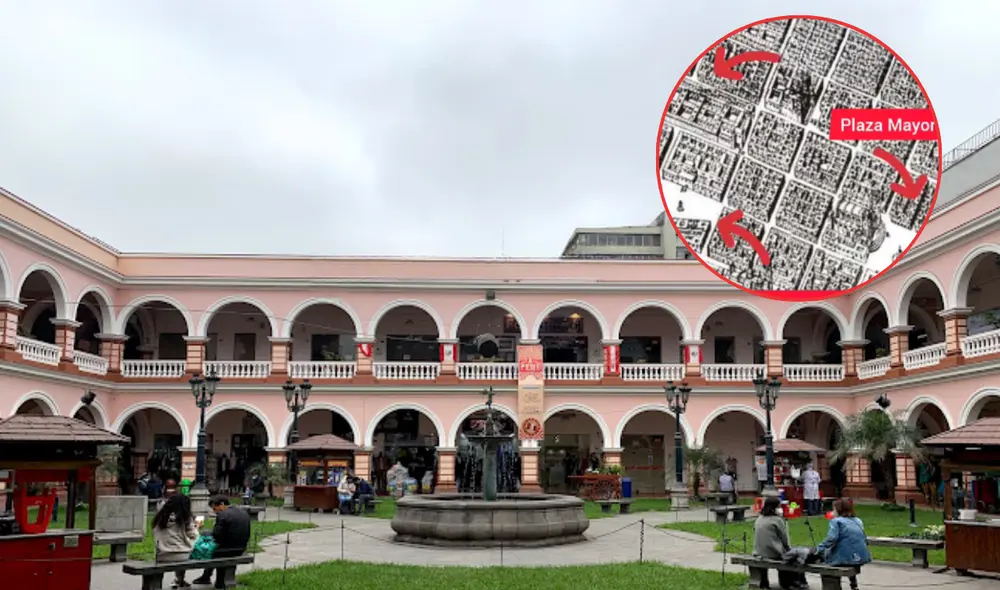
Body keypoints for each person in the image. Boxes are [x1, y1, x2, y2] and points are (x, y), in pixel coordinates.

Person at [191, 496, 251, 590]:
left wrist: (208, 533)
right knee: (214, 543)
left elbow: (217, 535)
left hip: (226, 550)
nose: (215, 511)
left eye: (215, 508)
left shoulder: (222, 515)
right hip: (241, 548)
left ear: (222, 504)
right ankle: (206, 577)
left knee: (209, 546)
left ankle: (218, 581)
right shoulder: (243, 512)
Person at [817, 499, 871, 590]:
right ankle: (854, 585)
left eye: (833, 509)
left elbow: (831, 539)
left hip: (845, 558)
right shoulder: (858, 520)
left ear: (838, 510)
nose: (832, 512)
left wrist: (820, 548)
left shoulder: (836, 521)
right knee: (847, 549)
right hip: (861, 557)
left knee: (826, 563)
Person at [753, 496, 806, 590]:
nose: (780, 509)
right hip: (773, 553)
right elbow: (785, 540)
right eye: (779, 506)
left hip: (759, 552)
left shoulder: (759, 518)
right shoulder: (777, 520)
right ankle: (793, 583)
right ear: (774, 508)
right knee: (795, 556)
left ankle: (765, 582)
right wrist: (790, 550)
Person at [153, 495, 198, 589]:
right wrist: (196, 527)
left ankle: (157, 583)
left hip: (162, 554)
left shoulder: (159, 518)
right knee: (187, 548)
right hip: (183, 555)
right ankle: (180, 579)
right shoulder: (185, 518)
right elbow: (194, 535)